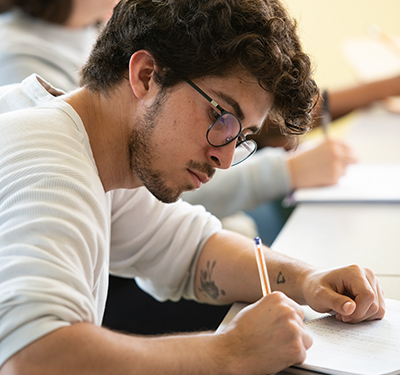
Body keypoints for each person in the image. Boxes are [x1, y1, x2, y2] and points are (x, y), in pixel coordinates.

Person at [0, 1, 385, 374]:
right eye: (223, 117)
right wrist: (228, 352)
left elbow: (195, 250)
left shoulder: (92, 148)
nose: (227, 158)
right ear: (147, 75)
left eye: (243, 135)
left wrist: (308, 280)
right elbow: (33, 360)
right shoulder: (51, 173)